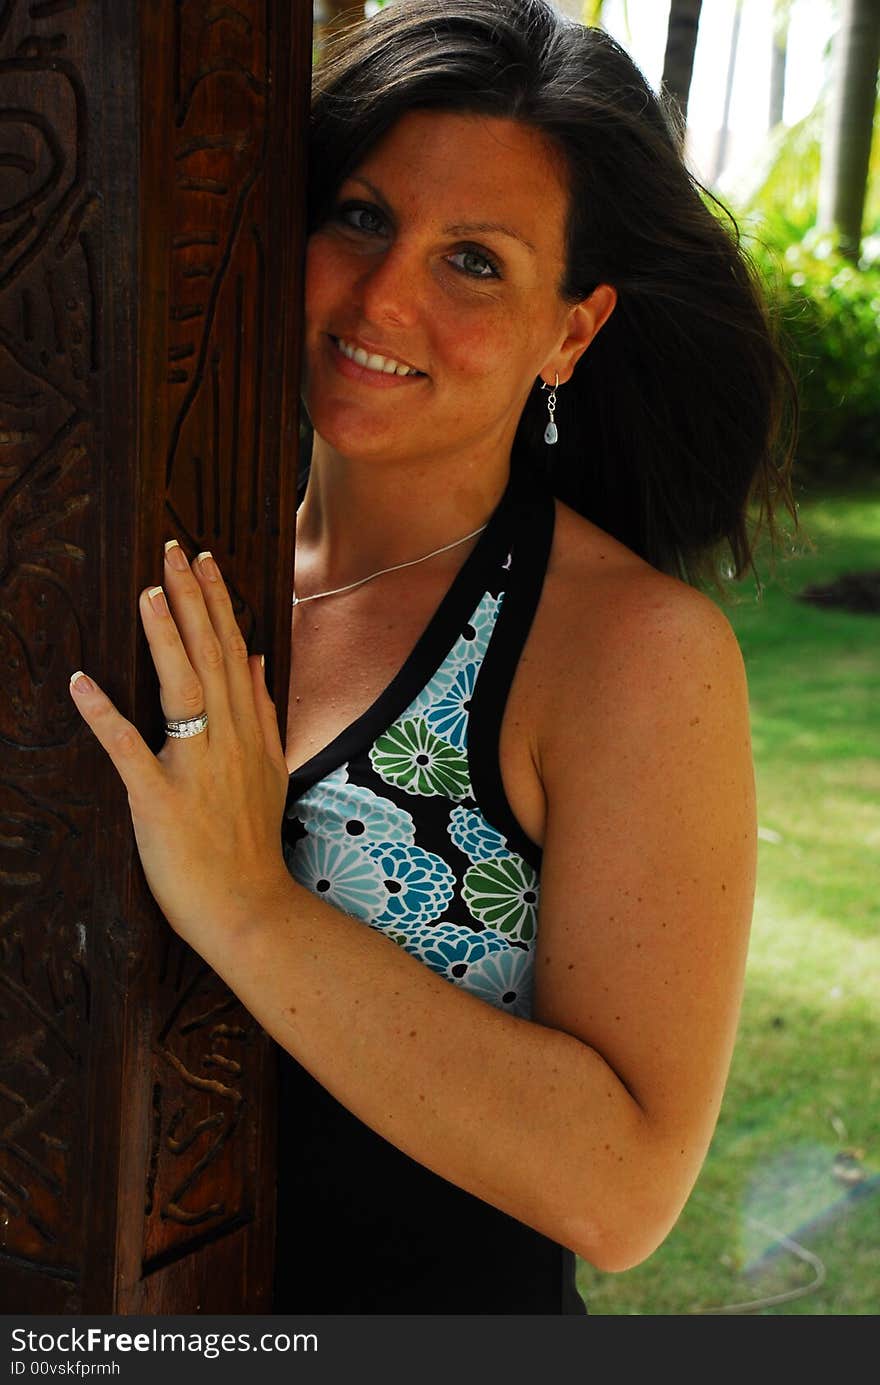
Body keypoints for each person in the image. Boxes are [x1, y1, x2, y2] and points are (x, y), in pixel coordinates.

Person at [68, 0, 798, 1315]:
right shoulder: (176, 563)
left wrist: (250, 905)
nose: (385, 293)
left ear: (570, 333)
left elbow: (626, 1190)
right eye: (360, 215)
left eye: (475, 261)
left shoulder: (624, 652)